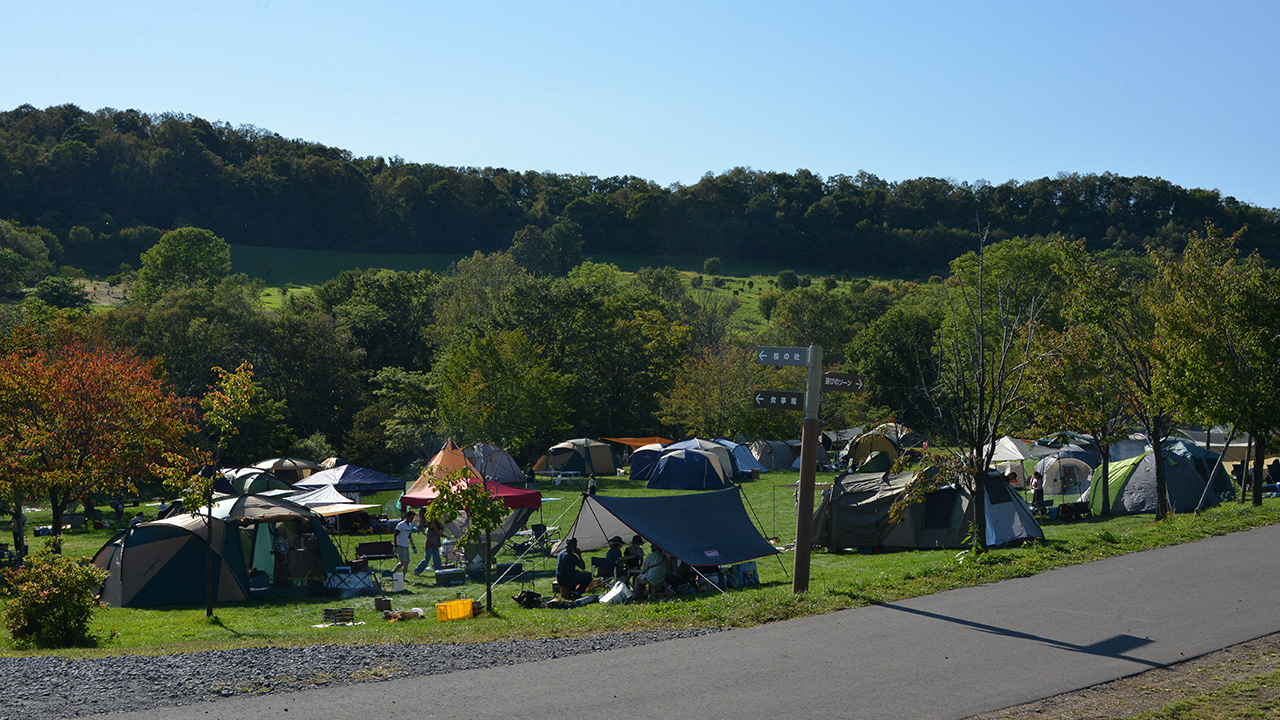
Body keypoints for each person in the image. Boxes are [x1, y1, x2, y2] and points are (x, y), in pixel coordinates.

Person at [392, 510, 417, 576]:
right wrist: (396, 546)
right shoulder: (401, 525)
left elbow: (409, 537)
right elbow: (395, 535)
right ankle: (393, 572)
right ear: (407, 517)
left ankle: (403, 577)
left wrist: (413, 546)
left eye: (413, 517)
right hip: (400, 545)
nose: (412, 519)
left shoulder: (410, 526)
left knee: (407, 562)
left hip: (406, 545)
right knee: (403, 562)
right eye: (411, 517)